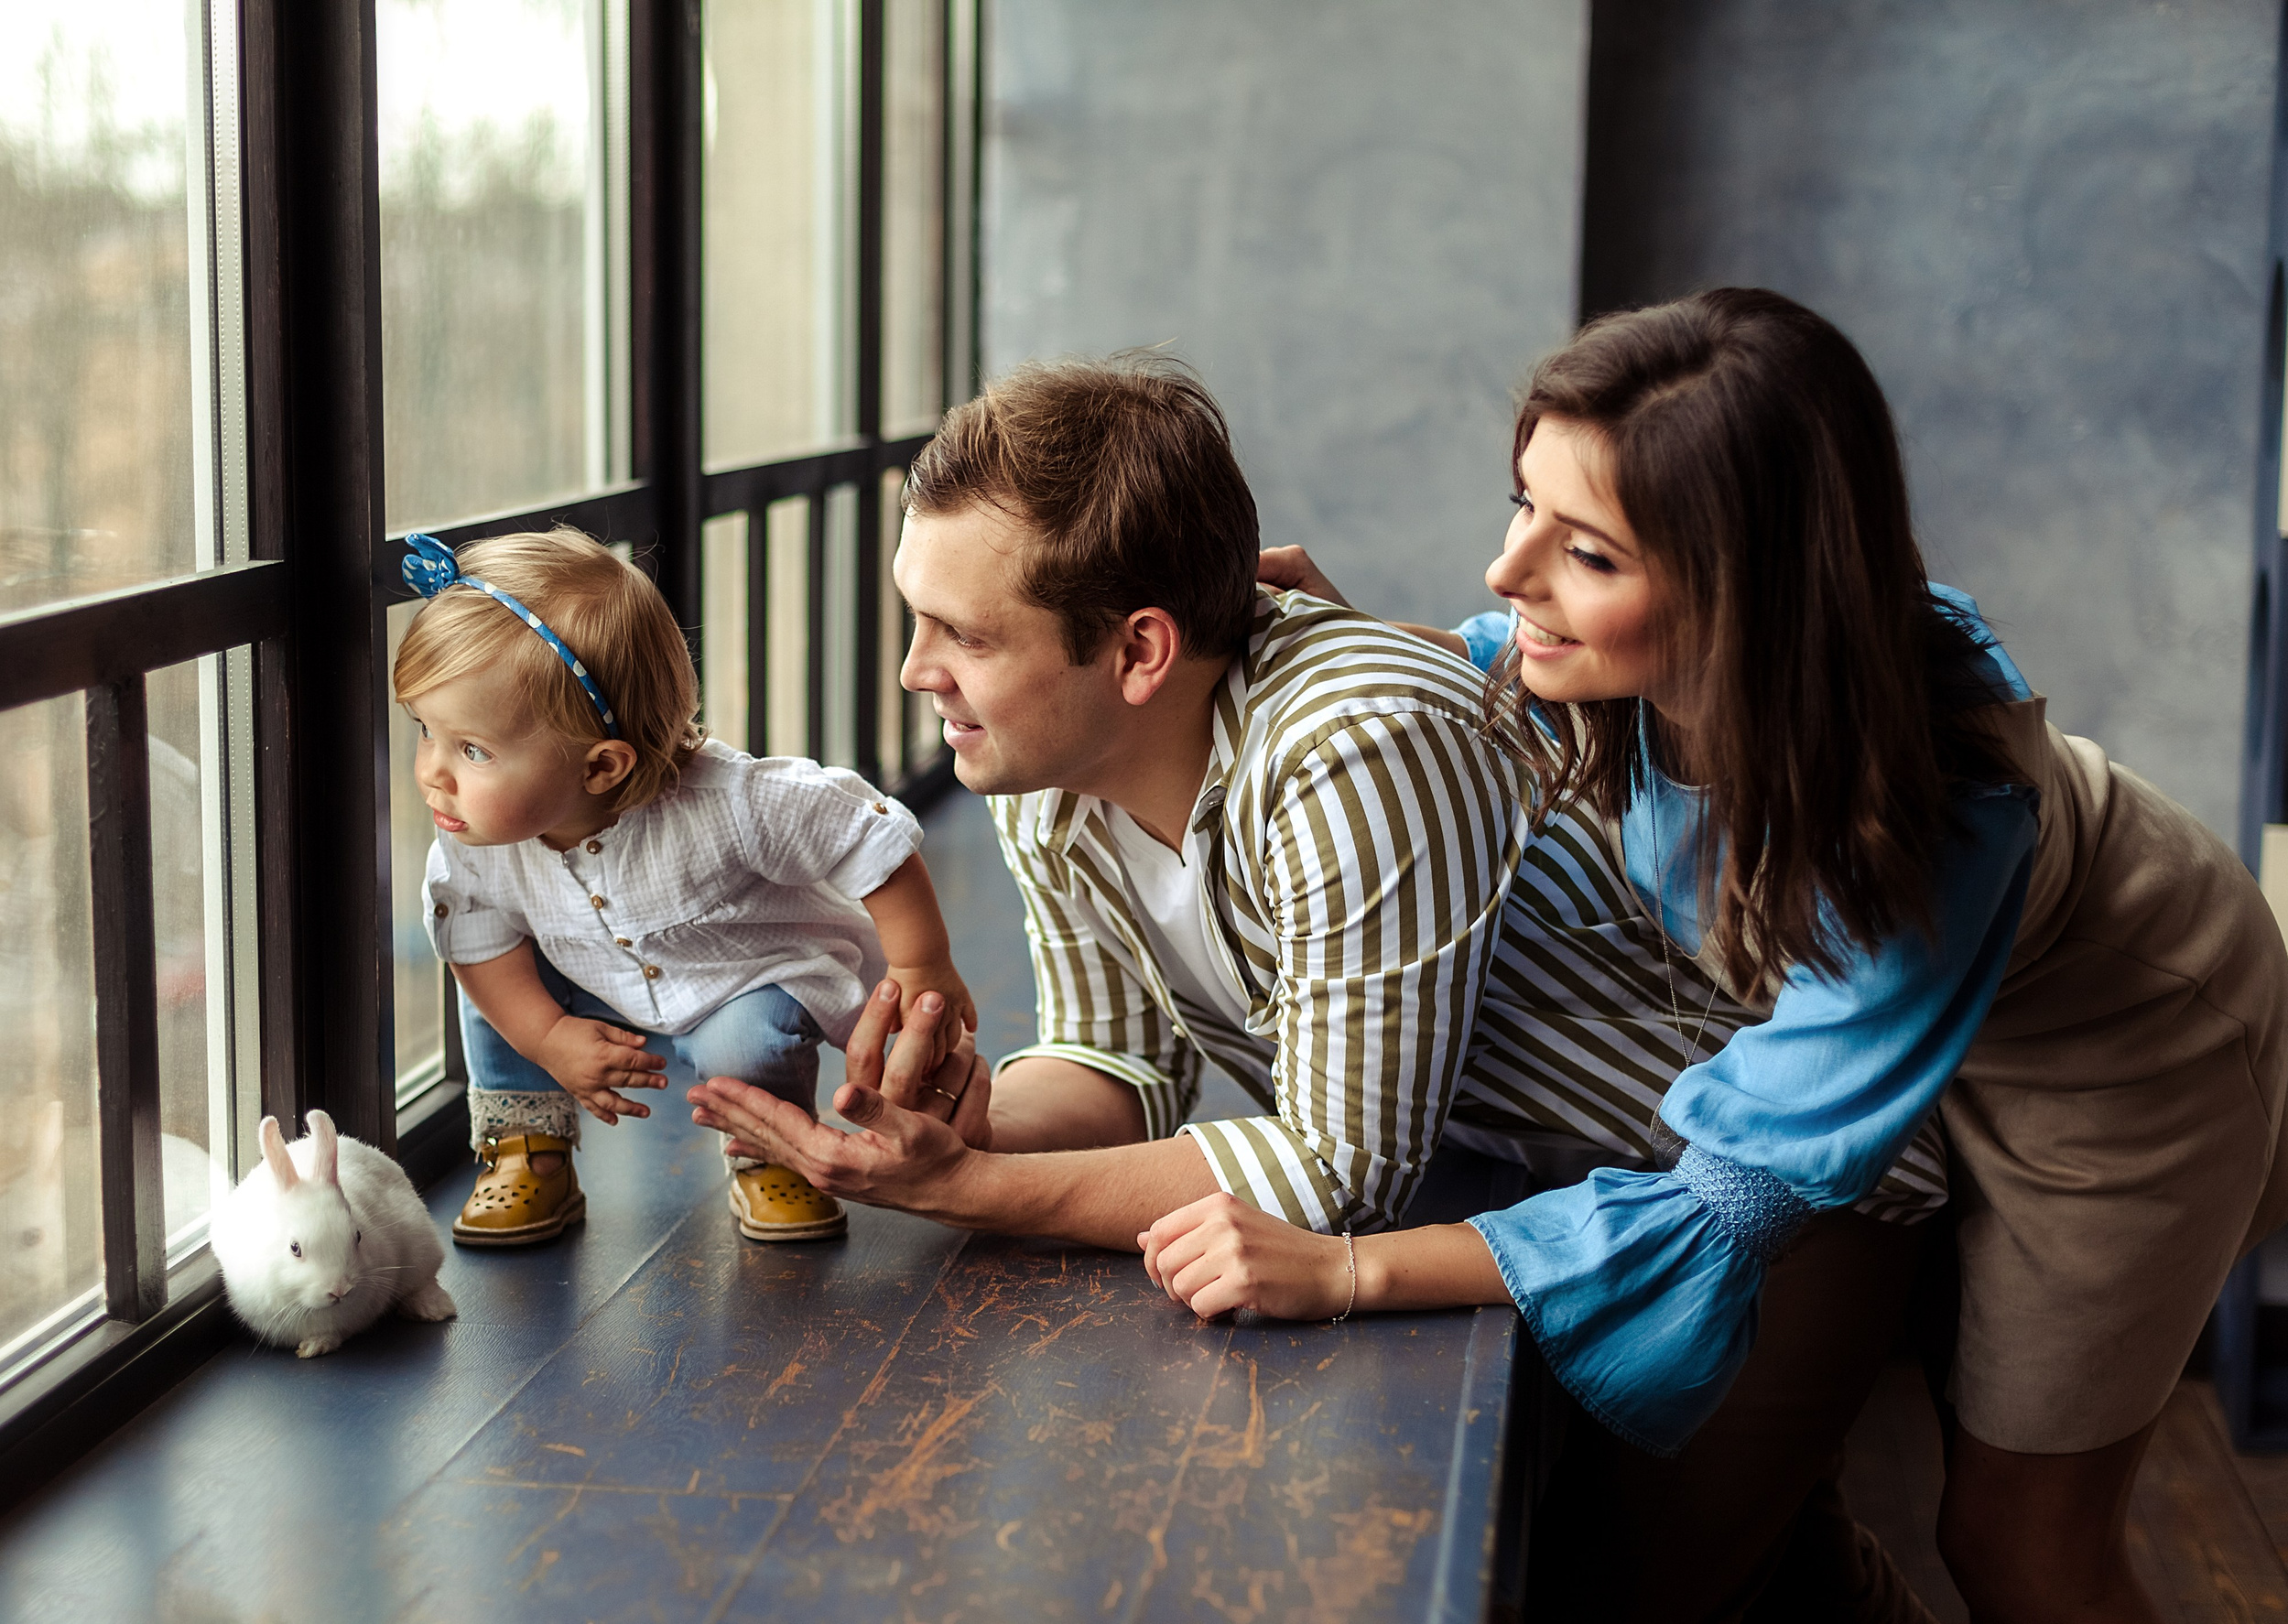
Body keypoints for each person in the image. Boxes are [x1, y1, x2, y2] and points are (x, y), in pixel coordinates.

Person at [1136, 289, 2288, 1624]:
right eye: (1523, 506)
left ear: (1742, 590)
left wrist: (1347, 1269)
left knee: (2019, 1541)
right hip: (1905, 1003)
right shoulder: (1654, 660)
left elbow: (1726, 1199)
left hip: (2116, 1046)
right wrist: (1348, 660)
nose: (1511, 577)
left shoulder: (1930, 821)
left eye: (1590, 554)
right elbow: (1478, 669)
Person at [685, 352, 1945, 1322]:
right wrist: (971, 1125)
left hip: (1757, 1200)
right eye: (919, 619)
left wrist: (969, 1195)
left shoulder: (1356, 743)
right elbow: (1116, 1061)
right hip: (1521, 1192)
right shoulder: (1043, 756)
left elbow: (1341, 1170)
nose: (917, 674)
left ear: (1139, 651)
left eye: (963, 633)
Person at [393, 525, 974, 1246]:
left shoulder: (729, 803)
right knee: (496, 987)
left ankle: (769, 1145)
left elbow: (863, 832)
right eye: (425, 730)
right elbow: (476, 942)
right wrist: (546, 1038)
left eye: (471, 750)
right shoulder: (473, 840)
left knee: (750, 1044)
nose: (431, 772)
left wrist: (922, 966)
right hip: (587, 978)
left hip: (733, 980)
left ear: (602, 768)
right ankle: (527, 1147)